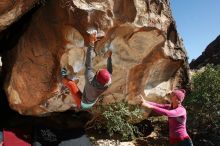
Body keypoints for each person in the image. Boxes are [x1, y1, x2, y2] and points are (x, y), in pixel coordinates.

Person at [61, 30, 113, 110]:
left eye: (98, 72)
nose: (98, 70)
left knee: (70, 83)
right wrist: (109, 57)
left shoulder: (90, 80)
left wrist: (91, 43)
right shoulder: (106, 83)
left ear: (96, 77)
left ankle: (63, 74)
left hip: (83, 104)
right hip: (91, 101)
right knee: (77, 88)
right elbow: (110, 71)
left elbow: (88, 61)